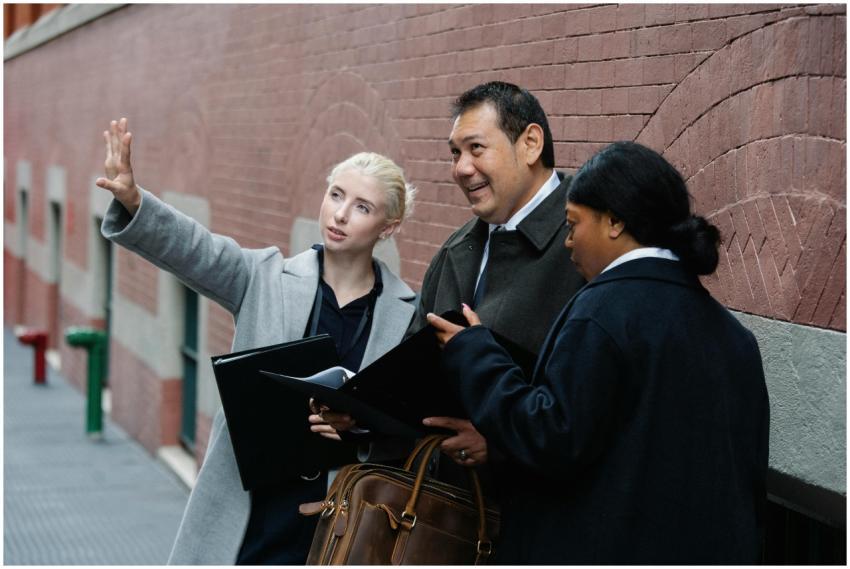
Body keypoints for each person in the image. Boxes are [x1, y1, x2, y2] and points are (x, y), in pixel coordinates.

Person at [428, 141, 770, 564]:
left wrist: (475, 351)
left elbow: (552, 437)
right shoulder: (735, 338)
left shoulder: (603, 310)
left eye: (573, 224)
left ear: (614, 221)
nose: (569, 242)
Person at [96, 118, 418, 564]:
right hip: (253, 513)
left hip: (341, 526)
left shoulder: (405, 316)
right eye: (336, 195)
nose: (340, 214)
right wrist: (134, 200)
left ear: (388, 227)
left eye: (362, 207)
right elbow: (196, 249)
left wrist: (359, 428)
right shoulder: (264, 277)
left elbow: (410, 428)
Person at [413, 81, 585, 467]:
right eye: (455, 153)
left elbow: (596, 404)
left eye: (476, 148)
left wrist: (501, 444)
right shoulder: (454, 251)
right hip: (442, 497)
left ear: (530, 144)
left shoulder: (586, 246)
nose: (461, 168)